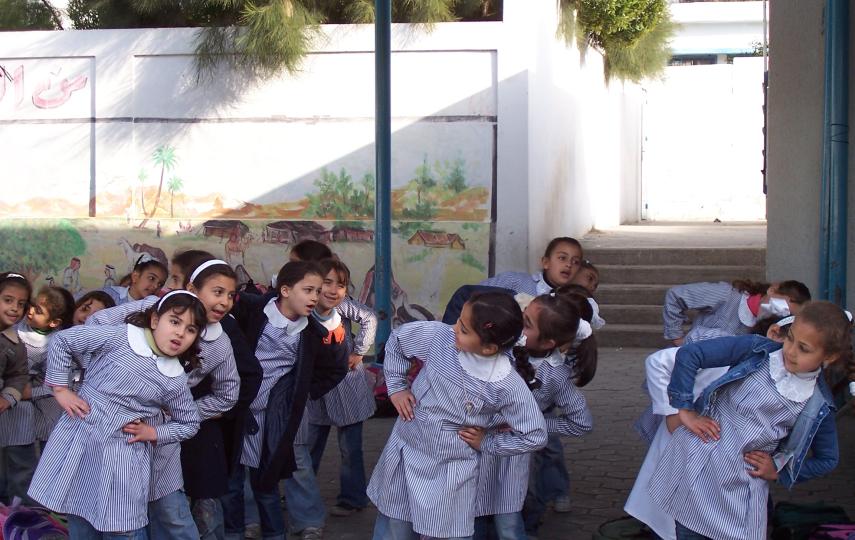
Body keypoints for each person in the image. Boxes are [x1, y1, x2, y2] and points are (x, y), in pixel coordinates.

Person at [648, 301, 848, 540]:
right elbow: (691, 353)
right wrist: (684, 408)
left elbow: (828, 458)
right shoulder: (757, 349)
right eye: (791, 338)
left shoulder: (819, 404)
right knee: (687, 531)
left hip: (740, 493)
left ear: (830, 356)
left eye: (804, 348)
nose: (791, 351)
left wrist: (779, 471)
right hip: (697, 471)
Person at [87, 257, 247, 540]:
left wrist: (180, 413)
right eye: (217, 292)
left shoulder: (220, 343)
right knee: (112, 505)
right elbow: (97, 321)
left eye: (230, 295)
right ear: (192, 289)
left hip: (162, 440)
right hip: (116, 428)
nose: (224, 302)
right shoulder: (155, 309)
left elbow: (228, 395)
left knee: (171, 511)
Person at [367, 291, 548, 540]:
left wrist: (489, 442)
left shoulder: (508, 384)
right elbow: (399, 340)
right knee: (395, 526)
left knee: (446, 530)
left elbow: (535, 435)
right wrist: (397, 388)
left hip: (453, 471)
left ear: (489, 347)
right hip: (408, 446)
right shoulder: (439, 338)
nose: (453, 329)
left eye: (463, 329)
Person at [27, 291, 205, 538]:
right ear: (155, 320)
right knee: (80, 514)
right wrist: (60, 389)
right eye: (174, 321)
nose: (180, 333)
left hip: (123, 456)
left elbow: (189, 423)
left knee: (123, 528)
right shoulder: (121, 337)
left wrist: (153, 432)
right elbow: (64, 341)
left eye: (191, 329)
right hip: (81, 439)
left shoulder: (175, 379)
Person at [625, 314, 796, 540]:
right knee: (672, 518)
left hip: (724, 476)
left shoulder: (793, 385)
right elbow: (659, 361)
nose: (793, 355)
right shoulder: (733, 351)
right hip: (687, 445)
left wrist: (778, 465)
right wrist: (676, 412)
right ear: (774, 334)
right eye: (793, 343)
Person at [220, 261, 347, 540]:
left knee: (266, 482)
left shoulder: (314, 333)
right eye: (309, 290)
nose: (315, 296)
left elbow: (335, 368)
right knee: (232, 479)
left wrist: (299, 391)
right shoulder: (252, 311)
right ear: (286, 290)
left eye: (318, 290)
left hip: (275, 416)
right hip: (237, 411)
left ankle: (275, 532)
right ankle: (239, 527)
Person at [475, 292, 594, 540]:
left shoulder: (555, 374)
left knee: (507, 523)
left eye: (527, 323)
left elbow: (581, 423)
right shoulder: (501, 346)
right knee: (472, 518)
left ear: (548, 342)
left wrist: (532, 426)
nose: (518, 322)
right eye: (522, 314)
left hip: (511, 458)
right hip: (473, 448)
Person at [284, 259, 377, 539]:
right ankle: (301, 500)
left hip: (347, 388)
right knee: (308, 447)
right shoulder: (307, 311)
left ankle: (352, 498)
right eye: (327, 282)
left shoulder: (344, 307)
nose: (333, 290)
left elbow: (370, 317)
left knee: (350, 449)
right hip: (316, 393)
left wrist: (360, 351)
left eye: (341, 284)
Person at [663, 279, 811, 347]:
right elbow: (676, 295)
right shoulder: (727, 295)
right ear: (772, 290)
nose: (780, 312)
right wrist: (676, 337)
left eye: (787, 314)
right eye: (783, 304)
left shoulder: (770, 332)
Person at [16, 286, 75, 448]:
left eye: (39, 311)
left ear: (54, 322)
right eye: (33, 305)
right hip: (13, 392)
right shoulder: (18, 323)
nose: (31, 311)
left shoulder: (57, 345)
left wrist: (30, 393)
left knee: (27, 451)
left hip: (40, 403)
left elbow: (59, 385)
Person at [0, 273, 34, 504]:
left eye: (21, 304)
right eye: (8, 300)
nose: (15, 308)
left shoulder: (15, 344)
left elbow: (18, 375)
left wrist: (8, 398)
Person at [479, 237, 583, 296]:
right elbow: (473, 295)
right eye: (562, 258)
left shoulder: (570, 302)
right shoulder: (513, 281)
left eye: (576, 262)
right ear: (546, 262)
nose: (569, 264)